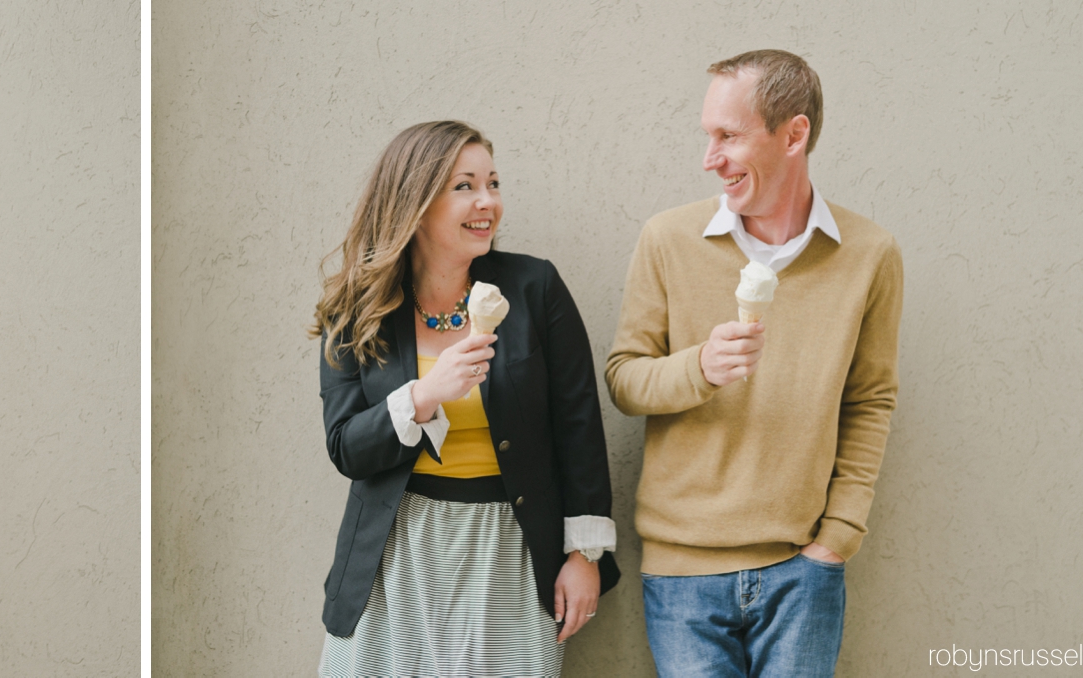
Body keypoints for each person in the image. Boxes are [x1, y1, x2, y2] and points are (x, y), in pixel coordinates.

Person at [605, 50, 902, 677]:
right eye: (708, 135)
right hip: (682, 574)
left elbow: (870, 400)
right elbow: (625, 379)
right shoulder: (668, 238)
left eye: (729, 136)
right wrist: (701, 368)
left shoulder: (870, 254)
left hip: (803, 569)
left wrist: (837, 537)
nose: (709, 158)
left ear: (794, 134)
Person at [311, 120, 621, 676]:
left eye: (493, 183)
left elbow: (579, 427)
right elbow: (346, 448)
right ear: (415, 203)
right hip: (398, 548)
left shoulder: (535, 288)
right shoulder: (355, 308)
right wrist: (426, 394)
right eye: (465, 186)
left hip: (510, 544)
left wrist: (585, 555)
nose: (488, 202)